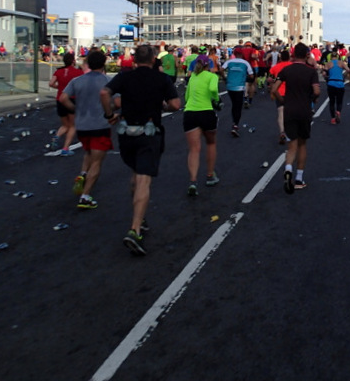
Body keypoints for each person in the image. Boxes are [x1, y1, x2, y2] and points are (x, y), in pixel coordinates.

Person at [100, 44, 180, 256]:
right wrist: (163, 106)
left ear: (134, 60)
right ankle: (135, 229)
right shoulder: (161, 79)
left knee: (135, 174)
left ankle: (140, 215)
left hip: (126, 133)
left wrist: (109, 115)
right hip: (149, 132)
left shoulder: (125, 77)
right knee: (144, 179)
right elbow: (176, 104)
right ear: (154, 60)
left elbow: (104, 92)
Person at [58, 50, 111, 209]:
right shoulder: (107, 81)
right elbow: (117, 101)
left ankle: (82, 174)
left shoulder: (77, 81)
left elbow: (63, 98)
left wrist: (74, 109)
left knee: (88, 152)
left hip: (82, 125)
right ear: (103, 64)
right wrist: (111, 112)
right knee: (97, 161)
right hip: (100, 125)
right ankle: (86, 196)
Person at [272, 43, 320, 194]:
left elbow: (274, 89)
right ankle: (299, 179)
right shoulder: (311, 71)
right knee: (302, 144)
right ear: (306, 55)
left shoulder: (287, 69)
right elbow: (317, 91)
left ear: (293, 55)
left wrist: (283, 101)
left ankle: (288, 169)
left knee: (291, 145)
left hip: (289, 110)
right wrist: (313, 98)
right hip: (304, 110)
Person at [182, 54, 221, 197]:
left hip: (190, 113)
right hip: (206, 112)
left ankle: (193, 181)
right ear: (208, 65)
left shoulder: (192, 77)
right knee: (210, 143)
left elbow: (186, 97)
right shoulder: (212, 77)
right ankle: (210, 175)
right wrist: (216, 100)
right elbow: (212, 90)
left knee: (194, 149)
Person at [49, 52, 84, 155]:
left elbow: (51, 83)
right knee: (73, 125)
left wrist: (59, 87)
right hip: (71, 99)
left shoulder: (59, 72)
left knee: (65, 124)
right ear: (73, 61)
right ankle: (65, 148)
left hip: (60, 99)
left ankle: (57, 136)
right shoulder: (78, 72)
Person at [221, 47, 254, 137]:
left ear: (234, 54)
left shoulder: (229, 62)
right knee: (238, 106)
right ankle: (235, 125)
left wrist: (224, 78)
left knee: (234, 104)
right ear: (242, 54)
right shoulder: (245, 63)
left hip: (230, 86)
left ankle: (234, 122)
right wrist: (245, 76)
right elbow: (251, 76)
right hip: (239, 87)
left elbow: (221, 69)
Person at [268, 49, 292, 144]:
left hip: (279, 92)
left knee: (281, 112)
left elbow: (269, 79)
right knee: (291, 113)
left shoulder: (275, 67)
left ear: (280, 58)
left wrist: (274, 82)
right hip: (291, 92)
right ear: (289, 57)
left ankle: (282, 132)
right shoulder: (292, 66)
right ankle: (290, 132)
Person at [325, 51, 347, 124]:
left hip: (331, 83)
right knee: (339, 101)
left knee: (332, 101)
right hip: (340, 83)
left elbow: (324, 73)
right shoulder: (341, 63)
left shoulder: (328, 63)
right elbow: (348, 70)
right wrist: (344, 76)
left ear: (331, 57)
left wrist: (327, 78)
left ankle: (333, 119)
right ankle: (338, 111)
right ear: (337, 57)